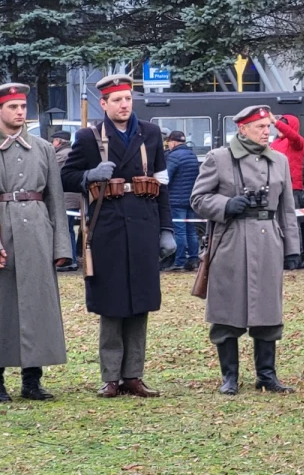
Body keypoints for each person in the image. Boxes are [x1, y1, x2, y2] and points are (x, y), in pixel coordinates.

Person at [62, 74, 176, 398]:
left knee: (140, 302)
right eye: (117, 100)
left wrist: (166, 229)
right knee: (112, 304)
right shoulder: (88, 138)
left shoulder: (150, 134)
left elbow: (162, 186)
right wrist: (87, 175)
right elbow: (64, 177)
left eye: (127, 98)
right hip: (107, 229)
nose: (124, 105)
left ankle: (134, 375)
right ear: (104, 104)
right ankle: (111, 376)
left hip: (143, 227)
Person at [0, 83, 72, 402]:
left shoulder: (43, 148)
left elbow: (55, 199)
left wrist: (61, 247)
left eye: (23, 106)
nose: (20, 112)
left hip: (37, 233)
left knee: (37, 306)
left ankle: (32, 379)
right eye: (12, 107)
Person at [191, 105, 300, 395]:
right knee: (227, 308)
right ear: (242, 128)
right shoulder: (219, 158)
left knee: (267, 309)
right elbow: (198, 198)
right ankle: (230, 377)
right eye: (261, 127)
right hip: (231, 239)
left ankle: (267, 375)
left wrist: (292, 247)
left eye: (268, 127)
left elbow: (287, 208)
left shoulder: (279, 161)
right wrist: (225, 205)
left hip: (268, 241)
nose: (268, 132)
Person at [271, 114, 304, 264]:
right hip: (275, 186)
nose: (279, 127)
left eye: (284, 124)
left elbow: (291, 135)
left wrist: (275, 122)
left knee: (292, 222)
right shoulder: (275, 143)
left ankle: (295, 255)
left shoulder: (297, 142)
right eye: (279, 124)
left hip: (292, 188)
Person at [164, 131, 200, 272]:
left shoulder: (174, 156)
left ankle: (179, 262)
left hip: (176, 200)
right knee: (191, 231)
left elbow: (166, 178)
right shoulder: (192, 155)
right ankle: (193, 259)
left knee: (179, 231)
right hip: (191, 199)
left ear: (173, 142)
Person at [52, 130, 84, 272]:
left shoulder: (60, 156)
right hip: (74, 197)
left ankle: (70, 260)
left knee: (66, 229)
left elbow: (52, 174)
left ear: (59, 141)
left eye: (53, 141)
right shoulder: (70, 153)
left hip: (66, 198)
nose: (52, 143)